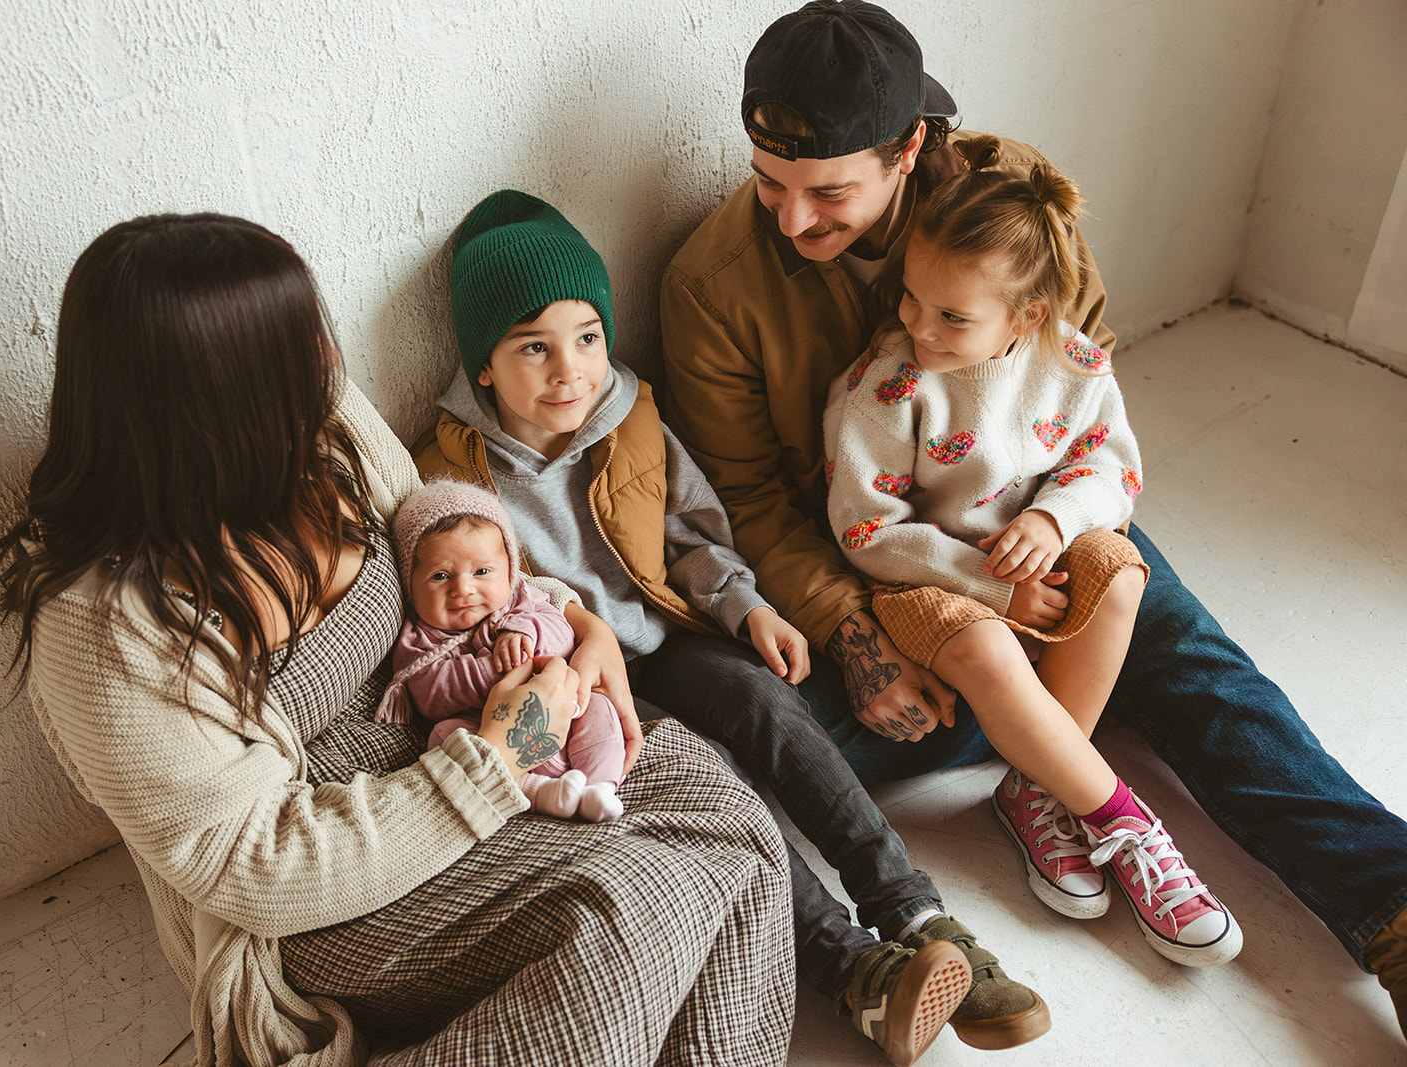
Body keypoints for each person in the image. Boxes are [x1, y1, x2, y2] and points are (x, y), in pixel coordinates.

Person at [660, 0, 1407, 1037]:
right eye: (766, 182)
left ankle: (1393, 909)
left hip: (1027, 540)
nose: (790, 220)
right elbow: (747, 500)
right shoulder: (713, 284)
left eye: (825, 191)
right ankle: (1032, 749)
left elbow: (1078, 404)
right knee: (719, 738)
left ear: (909, 149)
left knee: (1178, 643)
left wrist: (1051, 538)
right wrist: (854, 634)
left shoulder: (1017, 207)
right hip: (872, 573)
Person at [0, 212, 797, 1066]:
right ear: (207, 406)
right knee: (635, 905)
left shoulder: (324, 434)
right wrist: (502, 752)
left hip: (475, 701)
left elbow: (444, 544)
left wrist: (574, 620)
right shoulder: (106, 629)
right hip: (337, 867)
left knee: (730, 819)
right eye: (297, 354)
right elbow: (255, 864)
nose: (331, 365)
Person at [414, 187, 1047, 1064]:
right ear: (483, 365)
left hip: (668, 636)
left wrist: (747, 609)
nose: (571, 371)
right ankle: (858, 974)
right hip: (586, 690)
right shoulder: (452, 474)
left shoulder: (631, 419)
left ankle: (913, 907)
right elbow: (459, 605)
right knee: (711, 789)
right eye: (534, 348)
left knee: (769, 708)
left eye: (588, 337)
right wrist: (543, 649)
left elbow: (692, 536)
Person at [825, 157, 1239, 966]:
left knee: (1120, 570)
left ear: (1028, 314)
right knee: (982, 644)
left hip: (1035, 558)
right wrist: (987, 584)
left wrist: (1054, 519)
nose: (920, 325)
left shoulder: (1073, 363)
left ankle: (1036, 793)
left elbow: (1110, 467)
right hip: (928, 578)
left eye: (953, 316)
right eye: (911, 297)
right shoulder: (893, 382)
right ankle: (1121, 817)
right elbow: (865, 529)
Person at [383, 477, 626, 821]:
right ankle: (539, 792)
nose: (463, 588)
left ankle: (600, 786)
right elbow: (430, 693)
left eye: (482, 571)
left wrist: (523, 631)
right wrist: (494, 670)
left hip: (563, 717)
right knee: (444, 736)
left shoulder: (522, 601)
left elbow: (562, 633)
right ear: (409, 581)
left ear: (510, 570)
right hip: (488, 730)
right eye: (440, 576)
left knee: (598, 705)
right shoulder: (419, 638)